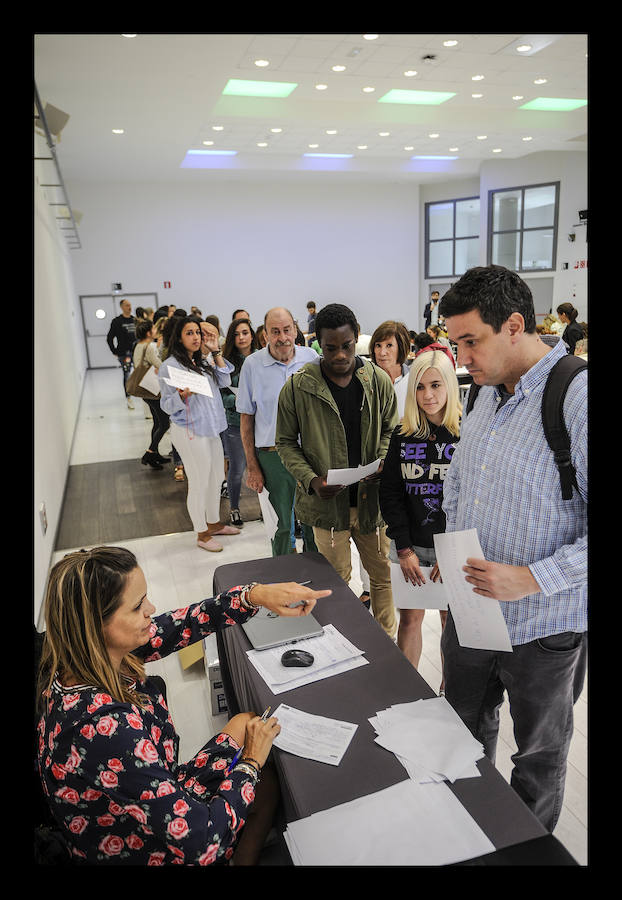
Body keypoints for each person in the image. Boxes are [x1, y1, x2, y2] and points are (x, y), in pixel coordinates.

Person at [36, 545, 331, 866]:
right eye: (137, 607)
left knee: (245, 722)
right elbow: (201, 841)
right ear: (96, 625)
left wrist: (256, 596)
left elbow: (187, 621)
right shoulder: (104, 728)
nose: (151, 609)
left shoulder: (79, 656)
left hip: (141, 804)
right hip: (138, 847)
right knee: (264, 779)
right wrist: (250, 763)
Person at [437, 264, 587, 833]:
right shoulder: (481, 393)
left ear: (516, 325)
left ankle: (524, 849)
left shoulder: (575, 394)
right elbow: (461, 482)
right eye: (456, 344)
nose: (462, 358)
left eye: (471, 342)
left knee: (538, 758)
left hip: (543, 628)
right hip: (472, 614)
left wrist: (532, 577)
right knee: (462, 734)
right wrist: (450, 569)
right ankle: (468, 833)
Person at [276, 303, 399, 640]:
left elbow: (391, 429)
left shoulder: (377, 381)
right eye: (331, 348)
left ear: (356, 338)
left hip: (373, 503)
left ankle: (386, 643)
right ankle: (339, 644)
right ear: (320, 345)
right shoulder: (298, 387)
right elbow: (285, 442)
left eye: (346, 346)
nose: (340, 355)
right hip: (326, 507)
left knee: (383, 577)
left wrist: (384, 462)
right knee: (334, 582)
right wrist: (312, 481)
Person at [379, 351, 460, 680]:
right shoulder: (403, 435)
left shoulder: (464, 435)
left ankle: (448, 692)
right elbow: (391, 493)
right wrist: (404, 548)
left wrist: (453, 551)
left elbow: (473, 498)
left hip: (450, 549)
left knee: (448, 623)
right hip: (410, 547)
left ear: (449, 386)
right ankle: (409, 691)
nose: (428, 395)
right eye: (421, 387)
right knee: (410, 620)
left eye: (436, 385)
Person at [236, 307, 319, 556]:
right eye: (275, 332)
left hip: (310, 455)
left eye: (286, 330)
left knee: (315, 524)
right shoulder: (252, 365)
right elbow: (246, 420)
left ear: (295, 329)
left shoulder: (312, 360)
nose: (282, 337)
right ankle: (285, 583)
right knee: (281, 526)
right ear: (265, 336)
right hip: (273, 457)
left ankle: (319, 578)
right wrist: (252, 466)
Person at [158, 317, 241, 552]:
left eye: (197, 332)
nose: (196, 337)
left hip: (212, 427)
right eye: (189, 333)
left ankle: (214, 523)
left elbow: (225, 379)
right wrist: (181, 397)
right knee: (199, 482)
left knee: (216, 478)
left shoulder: (202, 361)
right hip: (189, 430)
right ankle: (201, 533)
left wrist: (215, 352)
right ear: (178, 337)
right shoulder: (170, 366)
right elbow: (165, 404)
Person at [220, 318, 260, 527]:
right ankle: (234, 508)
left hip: (262, 423)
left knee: (265, 468)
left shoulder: (262, 358)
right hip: (235, 422)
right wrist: (238, 399)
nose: (241, 337)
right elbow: (222, 397)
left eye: (245, 333)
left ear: (252, 335)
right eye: (236, 334)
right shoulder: (226, 362)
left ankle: (267, 509)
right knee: (237, 469)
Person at [132, 319, 171, 470]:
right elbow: (160, 365)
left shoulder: (138, 345)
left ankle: (155, 454)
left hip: (144, 389)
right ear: (149, 332)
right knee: (165, 423)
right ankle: (150, 452)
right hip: (153, 390)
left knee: (157, 422)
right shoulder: (150, 346)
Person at [369, 320, 412, 417]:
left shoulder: (414, 380)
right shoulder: (366, 381)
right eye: (378, 346)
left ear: (401, 347)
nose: (382, 352)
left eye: (389, 345)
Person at [106, 298, 137, 409]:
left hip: (136, 352)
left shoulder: (135, 320)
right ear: (121, 307)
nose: (129, 307)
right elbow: (109, 338)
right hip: (124, 353)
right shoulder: (117, 322)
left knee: (140, 373)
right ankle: (128, 398)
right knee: (127, 374)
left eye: (130, 304)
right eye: (127, 305)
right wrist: (114, 351)